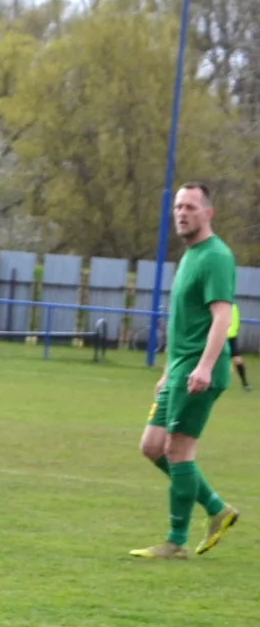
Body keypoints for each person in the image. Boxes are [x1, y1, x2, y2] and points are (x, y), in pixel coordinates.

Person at [131, 182, 239, 558]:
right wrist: (167, 370)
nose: (182, 213)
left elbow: (221, 316)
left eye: (190, 206)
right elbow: (183, 322)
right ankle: (216, 508)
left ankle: (175, 542)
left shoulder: (216, 257)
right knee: (151, 446)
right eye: (178, 206)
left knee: (178, 450)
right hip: (179, 368)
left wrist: (205, 367)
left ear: (207, 213)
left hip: (200, 370)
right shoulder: (190, 256)